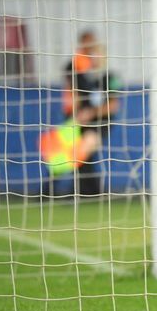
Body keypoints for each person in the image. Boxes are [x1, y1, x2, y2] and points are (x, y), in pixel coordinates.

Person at [61, 30, 120, 197]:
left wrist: (91, 112)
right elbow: (75, 95)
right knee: (76, 155)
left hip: (101, 123)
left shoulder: (110, 78)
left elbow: (113, 105)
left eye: (98, 54)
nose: (95, 57)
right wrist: (76, 114)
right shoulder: (82, 75)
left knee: (82, 149)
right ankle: (91, 191)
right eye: (92, 53)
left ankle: (85, 191)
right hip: (80, 121)